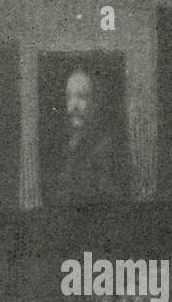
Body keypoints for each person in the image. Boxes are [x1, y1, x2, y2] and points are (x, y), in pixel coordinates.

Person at [45, 67, 126, 205]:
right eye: (69, 97)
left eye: (82, 97)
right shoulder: (62, 142)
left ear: (96, 102)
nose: (73, 106)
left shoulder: (105, 146)